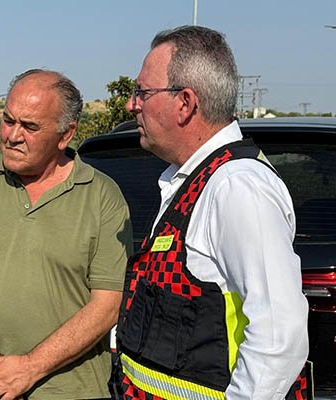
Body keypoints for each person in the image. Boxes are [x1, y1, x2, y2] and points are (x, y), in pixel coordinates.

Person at [109, 26, 310, 400]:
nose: (131, 104)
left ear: (185, 102)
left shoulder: (237, 187)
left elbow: (279, 336)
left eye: (142, 92)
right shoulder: (192, 180)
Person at [0, 69, 133, 400]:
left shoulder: (102, 197)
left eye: (30, 126)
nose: (12, 135)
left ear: (65, 135)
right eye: (8, 120)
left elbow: (108, 305)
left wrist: (29, 368)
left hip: (71, 392)